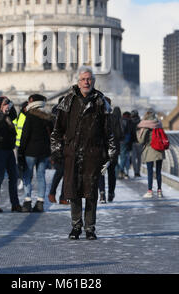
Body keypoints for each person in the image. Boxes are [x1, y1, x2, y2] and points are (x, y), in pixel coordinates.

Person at [50, 66, 118, 240]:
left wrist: (110, 153)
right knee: (73, 192)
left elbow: (108, 131)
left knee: (91, 193)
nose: (86, 82)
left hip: (93, 154)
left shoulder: (101, 101)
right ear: (78, 82)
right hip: (72, 153)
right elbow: (57, 130)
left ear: (93, 81)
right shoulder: (67, 101)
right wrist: (57, 151)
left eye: (89, 79)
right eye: (83, 79)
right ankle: (76, 226)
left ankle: (90, 228)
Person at [18, 94, 53, 213]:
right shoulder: (48, 117)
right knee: (41, 176)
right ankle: (40, 202)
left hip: (30, 151)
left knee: (27, 175)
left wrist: (20, 151)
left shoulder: (30, 116)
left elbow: (25, 135)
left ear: (32, 102)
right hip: (44, 152)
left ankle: (27, 201)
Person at [137, 109, 165, 198]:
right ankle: (159, 191)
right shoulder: (158, 124)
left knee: (150, 172)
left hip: (150, 150)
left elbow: (141, 140)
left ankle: (150, 191)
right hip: (160, 150)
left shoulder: (145, 126)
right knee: (158, 172)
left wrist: (141, 131)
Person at [99, 104, 122, 203]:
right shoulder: (115, 119)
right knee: (112, 172)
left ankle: (102, 193)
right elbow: (120, 134)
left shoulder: (98, 118)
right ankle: (111, 193)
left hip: (101, 149)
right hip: (113, 149)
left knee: (101, 172)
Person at [48, 97, 69, 205]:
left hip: (67, 146)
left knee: (67, 173)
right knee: (60, 171)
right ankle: (52, 193)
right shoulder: (55, 115)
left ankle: (63, 197)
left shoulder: (68, 113)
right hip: (57, 147)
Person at [13, 101, 28, 190]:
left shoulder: (29, 117)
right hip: (18, 145)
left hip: (27, 144)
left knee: (26, 164)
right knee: (20, 164)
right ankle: (22, 180)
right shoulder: (18, 117)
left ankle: (26, 180)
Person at [118, 111, 133, 179]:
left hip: (121, 141)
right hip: (127, 140)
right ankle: (124, 171)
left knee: (122, 156)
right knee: (126, 157)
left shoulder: (120, 120)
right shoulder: (129, 121)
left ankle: (121, 171)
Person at [130, 109, 142, 177]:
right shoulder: (140, 122)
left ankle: (135, 171)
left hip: (132, 142)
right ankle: (138, 171)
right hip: (139, 142)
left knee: (133, 158)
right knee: (139, 158)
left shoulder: (130, 122)